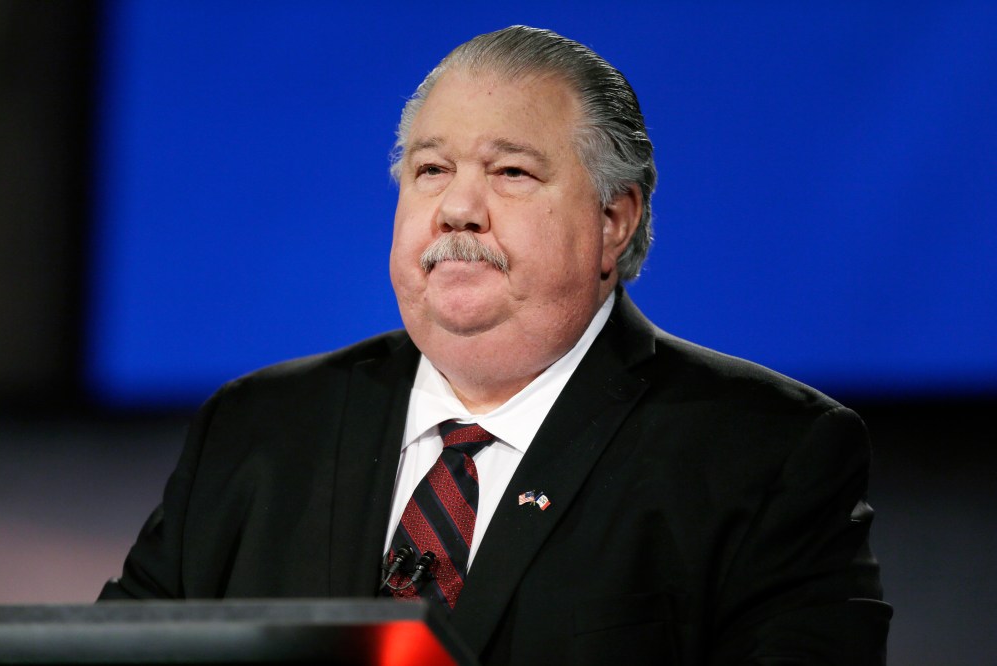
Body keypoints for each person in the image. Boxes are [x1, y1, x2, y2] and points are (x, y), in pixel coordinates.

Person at [100, 25, 891, 665]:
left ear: (613, 221)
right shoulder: (257, 429)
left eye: (511, 172)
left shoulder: (766, 453)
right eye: (431, 169)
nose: (458, 210)